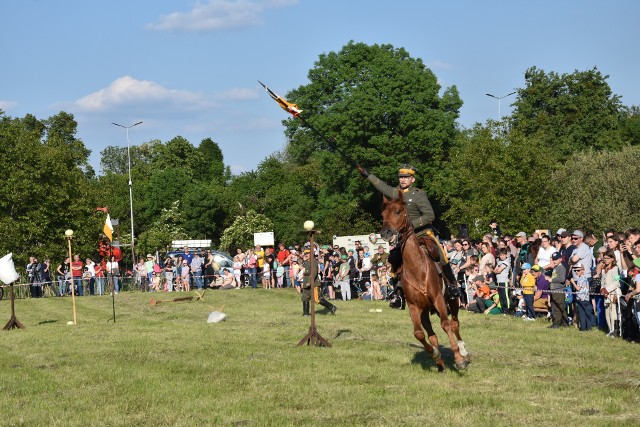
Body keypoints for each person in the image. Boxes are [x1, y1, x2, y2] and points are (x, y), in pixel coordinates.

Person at [360, 163, 460, 301]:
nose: (402, 180)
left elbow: (429, 215)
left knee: (441, 254)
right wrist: (367, 175)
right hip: (406, 238)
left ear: (412, 179)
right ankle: (398, 293)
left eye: (406, 177)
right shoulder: (396, 193)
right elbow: (382, 186)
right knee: (393, 258)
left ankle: (452, 285)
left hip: (422, 233)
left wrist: (410, 225)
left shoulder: (419, 195)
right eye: (401, 177)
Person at [600, 249, 622, 337]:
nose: (605, 260)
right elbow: (602, 281)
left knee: (613, 312)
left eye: (607, 258)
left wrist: (607, 289)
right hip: (605, 294)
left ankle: (615, 331)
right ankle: (610, 330)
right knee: (607, 312)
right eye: (604, 258)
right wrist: (602, 289)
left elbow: (616, 282)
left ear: (612, 259)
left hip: (613, 293)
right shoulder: (603, 269)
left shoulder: (615, 268)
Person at [570, 263, 595, 331]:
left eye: (578, 270)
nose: (576, 272)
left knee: (582, 314)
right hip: (586, 299)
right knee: (586, 313)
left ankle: (583, 328)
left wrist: (573, 282)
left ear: (582, 270)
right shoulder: (584, 278)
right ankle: (588, 328)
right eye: (575, 271)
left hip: (582, 299)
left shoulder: (581, 279)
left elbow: (578, 288)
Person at [548, 252, 568, 328]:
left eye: (556, 259)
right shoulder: (555, 267)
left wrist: (552, 280)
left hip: (559, 290)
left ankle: (556, 324)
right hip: (554, 290)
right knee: (557, 306)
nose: (554, 261)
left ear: (560, 259)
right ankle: (564, 323)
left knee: (558, 308)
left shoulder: (561, 268)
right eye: (553, 259)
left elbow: (562, 279)